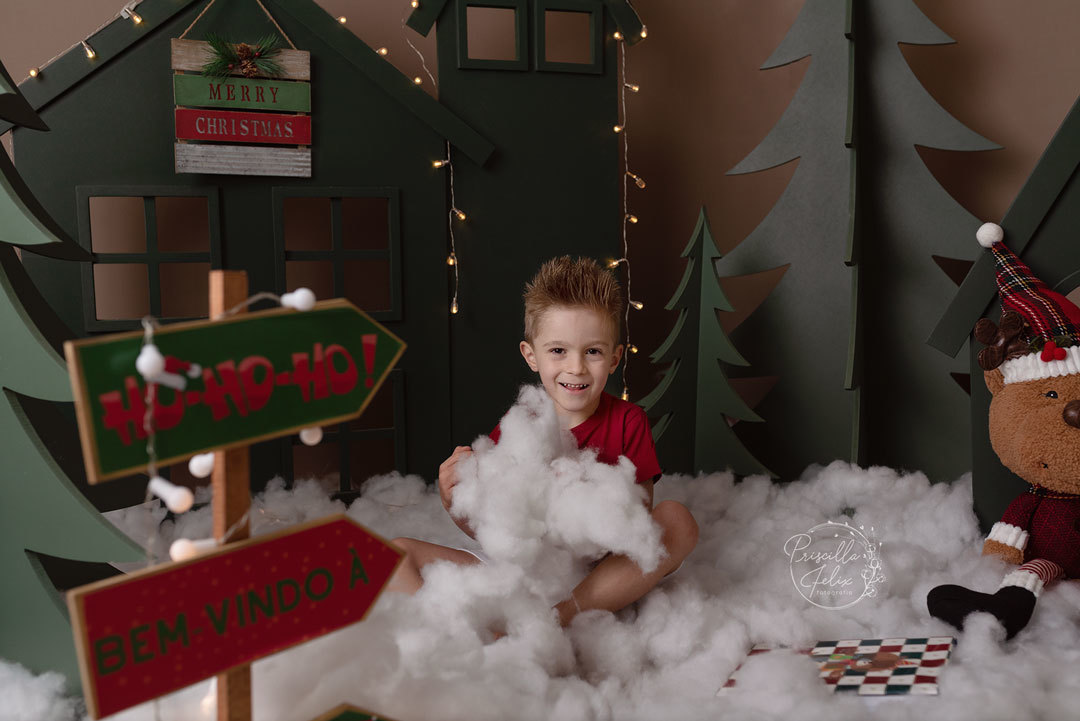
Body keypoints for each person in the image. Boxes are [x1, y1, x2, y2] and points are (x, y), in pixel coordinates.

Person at [387, 256, 699, 628]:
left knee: (677, 521)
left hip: (597, 575)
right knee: (394, 554)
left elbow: (638, 521)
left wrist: (573, 500)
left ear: (615, 358)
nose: (576, 367)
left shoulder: (628, 421)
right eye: (558, 351)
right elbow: (495, 532)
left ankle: (557, 620)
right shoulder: (521, 425)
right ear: (531, 355)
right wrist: (453, 500)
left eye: (593, 351)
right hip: (525, 572)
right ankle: (454, 633)